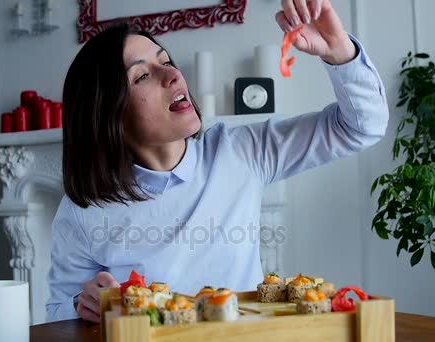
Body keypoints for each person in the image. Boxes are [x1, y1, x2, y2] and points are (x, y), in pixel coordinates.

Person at [46, 0, 389, 323]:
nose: (173, 75)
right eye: (142, 76)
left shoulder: (241, 150)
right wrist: (81, 304)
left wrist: (339, 49)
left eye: (165, 61)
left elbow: (363, 127)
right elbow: (56, 316)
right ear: (108, 114)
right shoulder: (82, 211)